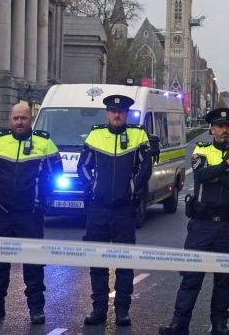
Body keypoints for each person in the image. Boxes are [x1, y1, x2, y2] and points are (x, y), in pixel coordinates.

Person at [159, 108, 229, 335]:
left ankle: (219, 325)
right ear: (211, 129)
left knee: (223, 280)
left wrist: (217, 175)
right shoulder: (202, 150)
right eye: (219, 126)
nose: (224, 130)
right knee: (191, 276)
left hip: (228, 226)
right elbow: (201, 176)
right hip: (202, 224)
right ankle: (179, 324)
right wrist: (227, 166)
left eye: (227, 126)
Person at [0, 103, 62, 325]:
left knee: (32, 263)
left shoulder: (45, 143)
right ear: (9, 119)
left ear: (31, 119)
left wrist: (40, 201)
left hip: (30, 214)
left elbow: (56, 174)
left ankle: (36, 309)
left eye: (24, 118)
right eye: (16, 118)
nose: (19, 122)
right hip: (2, 213)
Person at [78, 94, 152, 327]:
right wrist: (93, 186)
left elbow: (145, 167)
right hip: (98, 209)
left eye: (120, 112)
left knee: (124, 262)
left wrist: (131, 188)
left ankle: (122, 310)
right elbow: (83, 167)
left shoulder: (138, 135)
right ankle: (98, 309)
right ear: (107, 113)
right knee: (97, 261)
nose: (117, 115)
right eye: (112, 111)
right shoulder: (95, 134)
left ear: (126, 114)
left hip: (124, 210)